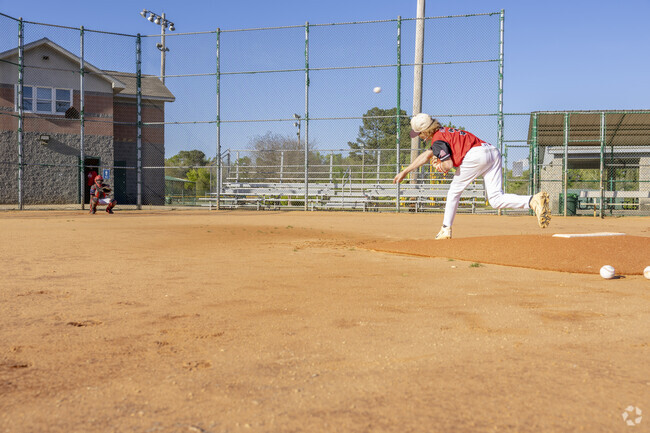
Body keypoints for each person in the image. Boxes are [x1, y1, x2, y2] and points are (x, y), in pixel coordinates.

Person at [393, 113, 551, 240]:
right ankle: (531, 201)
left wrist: (439, 165)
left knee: (454, 192)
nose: (419, 136)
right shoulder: (445, 132)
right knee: (496, 200)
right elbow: (427, 154)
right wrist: (406, 171)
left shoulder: (438, 140)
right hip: (491, 151)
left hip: (475, 156)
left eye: (419, 134)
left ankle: (445, 229)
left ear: (425, 132)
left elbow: (447, 165)